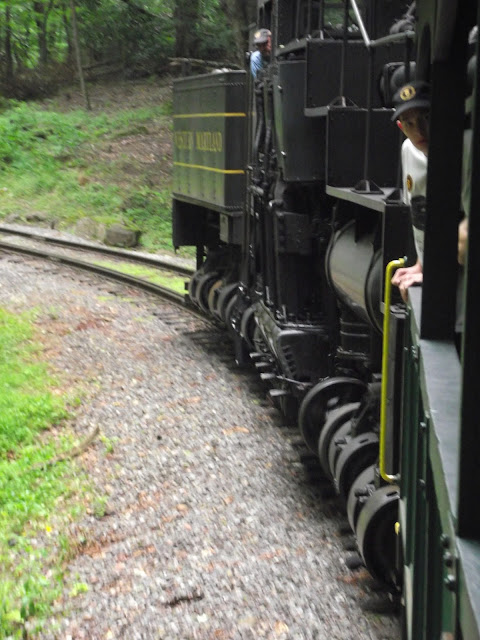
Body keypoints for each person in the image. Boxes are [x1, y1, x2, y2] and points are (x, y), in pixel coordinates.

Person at [390, 80, 430, 301]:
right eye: (410, 123)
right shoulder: (408, 150)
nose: (419, 131)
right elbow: (420, 221)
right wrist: (421, 265)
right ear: (401, 127)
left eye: (426, 118)